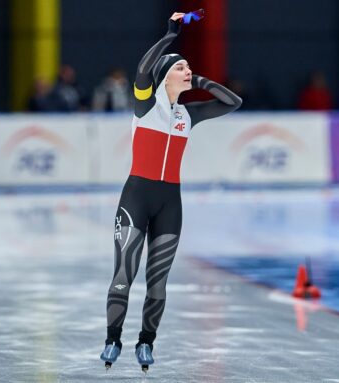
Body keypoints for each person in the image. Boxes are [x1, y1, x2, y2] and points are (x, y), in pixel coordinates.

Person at [100, 12, 242, 371]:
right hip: (136, 198)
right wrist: (169, 36)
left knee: (158, 282)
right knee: (124, 275)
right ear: (165, 75)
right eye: (181, 67)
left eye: (188, 67)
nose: (187, 71)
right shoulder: (145, 104)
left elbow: (232, 103)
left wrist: (200, 78)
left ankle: (146, 343)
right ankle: (112, 339)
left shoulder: (186, 116)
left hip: (169, 204)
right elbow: (144, 70)